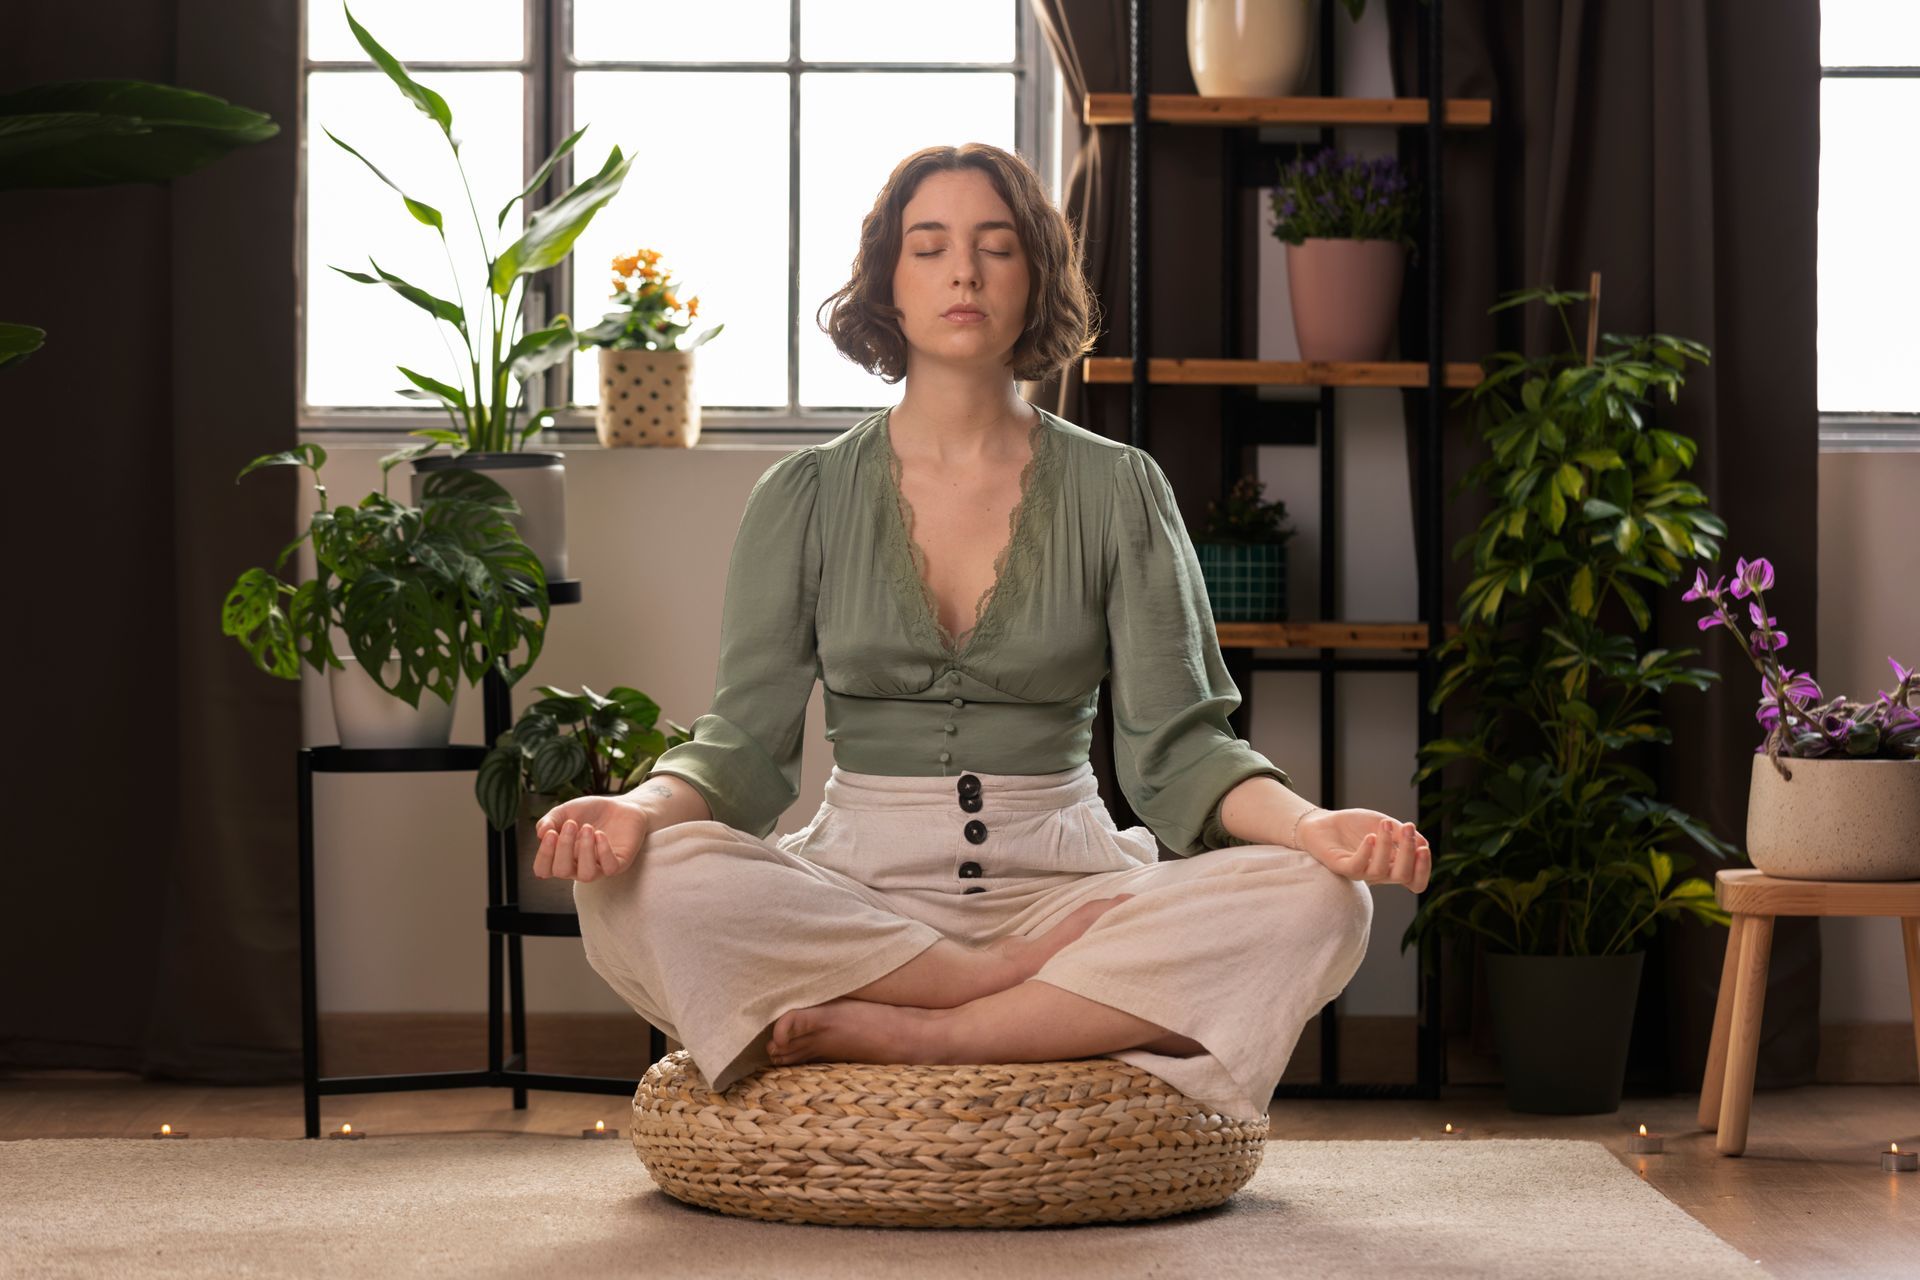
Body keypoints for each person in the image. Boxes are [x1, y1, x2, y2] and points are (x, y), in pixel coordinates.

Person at [534, 142, 1431, 1122]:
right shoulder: (803, 494)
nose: (963, 271)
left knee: (1324, 899)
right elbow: (744, 745)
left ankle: (939, 1029)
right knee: (635, 880)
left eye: (996, 247)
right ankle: (991, 986)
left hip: (1070, 891)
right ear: (889, 283)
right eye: (930, 247)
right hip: (856, 891)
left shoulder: (1119, 487)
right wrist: (641, 810)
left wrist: (1314, 827)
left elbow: (1183, 751)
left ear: (1037, 275)